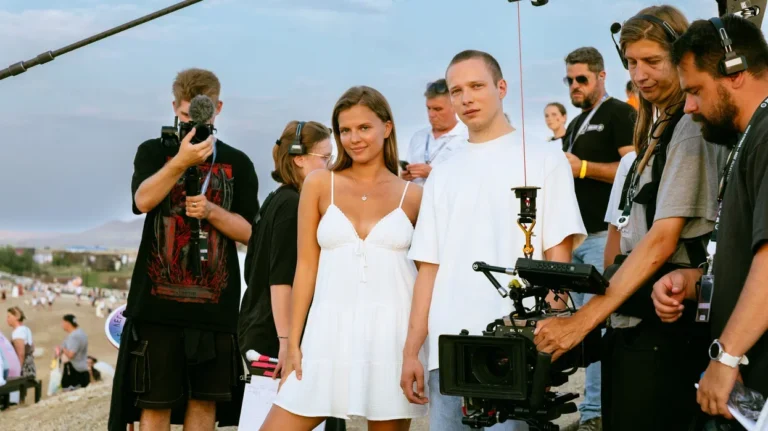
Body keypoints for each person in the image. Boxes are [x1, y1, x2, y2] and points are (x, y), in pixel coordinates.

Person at [534, 6, 727, 431]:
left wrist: (583, 321)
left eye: (652, 61)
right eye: (632, 63)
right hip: (634, 325)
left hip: (666, 331)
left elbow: (661, 240)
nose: (640, 75)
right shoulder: (655, 129)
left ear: (682, 58)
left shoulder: (689, 131)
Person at [399, 49, 586, 431]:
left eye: (476, 86)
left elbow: (558, 261)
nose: (466, 98)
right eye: (457, 91)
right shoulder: (442, 174)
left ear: (501, 88)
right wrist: (411, 350)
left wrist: (546, 344)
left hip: (516, 346)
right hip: (448, 349)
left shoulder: (545, 158)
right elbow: (428, 270)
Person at [261, 86, 425, 431]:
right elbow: (305, 267)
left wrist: (413, 349)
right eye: (345, 130)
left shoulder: (414, 196)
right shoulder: (320, 184)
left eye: (364, 127)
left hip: (391, 336)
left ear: (387, 127)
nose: (354, 138)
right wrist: (291, 342)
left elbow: (427, 277)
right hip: (326, 332)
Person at [108, 68, 259, 431]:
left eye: (202, 116)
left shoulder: (238, 162)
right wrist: (180, 162)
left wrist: (211, 211)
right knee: (154, 403)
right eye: (188, 115)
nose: (194, 123)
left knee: (205, 403)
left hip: (215, 309)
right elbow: (142, 201)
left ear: (218, 108)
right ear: (175, 108)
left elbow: (250, 234)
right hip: (157, 308)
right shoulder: (153, 151)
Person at [653, 14, 768, 429]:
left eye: (695, 90)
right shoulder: (748, 139)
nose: (689, 107)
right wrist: (696, 282)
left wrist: (727, 356)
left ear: (735, 71)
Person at [239, 121, 346, 431]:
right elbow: (281, 280)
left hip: (263, 329)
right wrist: (287, 342)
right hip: (278, 337)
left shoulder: (276, 199)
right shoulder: (293, 205)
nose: (330, 165)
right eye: (325, 157)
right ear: (299, 158)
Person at [561, 46, 636, 431]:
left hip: (603, 237)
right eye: (569, 80)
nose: (574, 86)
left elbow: (633, 169)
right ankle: (590, 410)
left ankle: (596, 414)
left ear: (602, 76)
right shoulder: (575, 124)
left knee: (595, 326)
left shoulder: (619, 113)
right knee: (575, 331)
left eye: (581, 79)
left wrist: (584, 168)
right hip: (575, 238)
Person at [402, 79, 468, 185]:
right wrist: (405, 177)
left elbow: (470, 181)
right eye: (429, 108)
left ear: (455, 107)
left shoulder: (468, 138)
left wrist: (433, 173)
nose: (431, 114)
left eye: (438, 109)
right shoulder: (418, 137)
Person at [59, 314, 89, 390]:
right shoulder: (81, 333)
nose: (62, 325)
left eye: (63, 322)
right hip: (82, 368)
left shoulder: (74, 336)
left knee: (68, 391)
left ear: (67, 323)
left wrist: (62, 349)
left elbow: (71, 354)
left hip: (74, 370)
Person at [6, 306, 35, 378]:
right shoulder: (25, 329)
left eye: (9, 317)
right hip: (30, 365)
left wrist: (18, 372)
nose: (7, 319)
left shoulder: (18, 332)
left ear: (16, 317)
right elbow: (32, 347)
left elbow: (20, 354)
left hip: (23, 367)